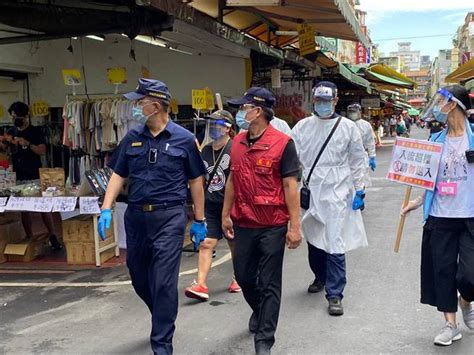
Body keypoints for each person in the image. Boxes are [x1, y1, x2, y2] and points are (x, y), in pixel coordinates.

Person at [98, 79, 207, 355]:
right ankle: (161, 313)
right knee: (139, 276)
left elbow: (196, 181)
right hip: (136, 218)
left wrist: (199, 220)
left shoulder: (183, 139)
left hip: (169, 217)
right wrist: (106, 208)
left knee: (164, 281)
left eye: (140, 102)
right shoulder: (133, 137)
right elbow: (118, 174)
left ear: (155, 105)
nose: (135, 107)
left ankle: (162, 344)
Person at [223, 87, 302, 355]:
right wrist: (225, 214)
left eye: (244, 108)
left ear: (258, 111)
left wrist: (295, 226)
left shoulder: (283, 143)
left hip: (273, 223)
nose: (240, 113)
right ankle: (259, 309)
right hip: (244, 222)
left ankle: (264, 341)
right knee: (244, 276)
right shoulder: (236, 144)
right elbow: (232, 180)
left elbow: (291, 186)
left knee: (270, 282)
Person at [401, 85, 474, 346]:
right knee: (442, 271)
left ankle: (465, 301)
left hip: (470, 217)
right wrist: (417, 202)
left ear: (453, 104)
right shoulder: (434, 141)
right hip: (440, 216)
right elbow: (430, 180)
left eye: (443, 101)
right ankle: (450, 325)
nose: (439, 106)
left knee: (469, 276)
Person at [291, 82, 368, 316]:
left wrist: (360, 188)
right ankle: (320, 276)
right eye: (319, 101)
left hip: (337, 187)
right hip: (311, 186)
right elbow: (290, 156)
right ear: (313, 101)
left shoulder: (347, 127)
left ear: (335, 101)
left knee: (334, 240)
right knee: (314, 237)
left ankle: (335, 294)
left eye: (328, 101)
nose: (323, 105)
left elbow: (357, 159)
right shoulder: (302, 127)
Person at [184, 110, 241, 301]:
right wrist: (196, 206)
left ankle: (239, 277)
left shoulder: (235, 148)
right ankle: (201, 284)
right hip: (210, 205)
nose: (214, 128)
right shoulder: (205, 151)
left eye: (218, 125)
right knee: (206, 243)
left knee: (234, 243)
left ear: (228, 128)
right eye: (212, 125)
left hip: (231, 205)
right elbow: (198, 179)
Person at [0, 101, 62, 250]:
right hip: (19, 174)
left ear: (26, 116)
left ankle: (52, 235)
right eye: (14, 116)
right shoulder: (11, 131)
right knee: (24, 209)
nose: (16, 120)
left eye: (18, 116)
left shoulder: (35, 131)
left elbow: (42, 150)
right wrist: (5, 143)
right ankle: (29, 237)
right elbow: (6, 152)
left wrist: (27, 143)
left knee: (42, 207)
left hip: (34, 173)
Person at [347, 104, 377, 186]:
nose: (352, 114)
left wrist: (372, 156)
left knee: (361, 179)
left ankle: (360, 195)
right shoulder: (344, 124)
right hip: (346, 156)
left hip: (361, 155)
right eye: (351, 112)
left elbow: (370, 141)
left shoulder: (365, 125)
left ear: (360, 112)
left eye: (354, 112)